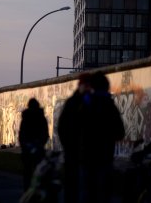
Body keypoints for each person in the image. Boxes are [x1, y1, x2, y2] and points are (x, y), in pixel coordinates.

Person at [80, 71, 125, 203]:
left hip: (87, 158)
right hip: (105, 159)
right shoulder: (110, 107)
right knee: (104, 195)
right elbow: (120, 132)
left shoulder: (85, 105)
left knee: (87, 195)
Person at [58, 72, 92, 203]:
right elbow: (62, 127)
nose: (88, 88)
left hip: (86, 155)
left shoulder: (90, 102)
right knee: (73, 187)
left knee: (83, 188)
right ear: (81, 86)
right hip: (73, 153)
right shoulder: (73, 103)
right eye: (86, 85)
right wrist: (68, 146)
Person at [19, 98, 49, 192]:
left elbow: (22, 134)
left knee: (28, 172)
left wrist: (24, 146)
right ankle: (36, 190)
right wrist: (41, 143)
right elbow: (45, 133)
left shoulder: (26, 117)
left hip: (30, 148)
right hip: (36, 148)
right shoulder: (41, 117)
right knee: (37, 171)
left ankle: (28, 190)